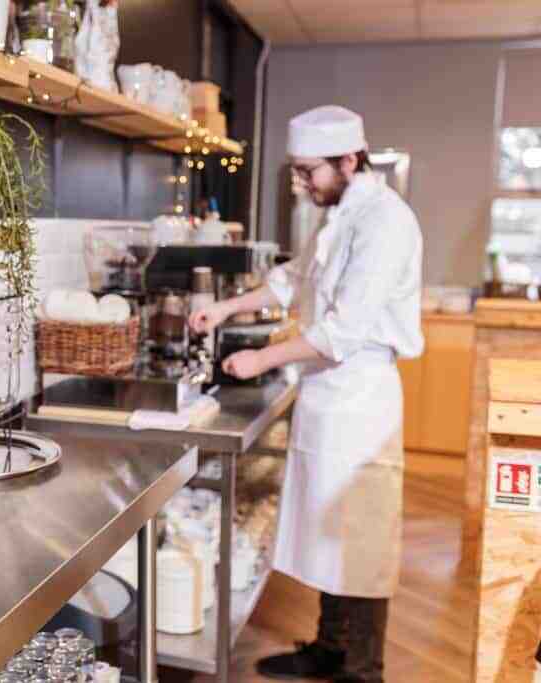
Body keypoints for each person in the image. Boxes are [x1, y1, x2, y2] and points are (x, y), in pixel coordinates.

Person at [189, 105, 423, 683]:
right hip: (328, 397)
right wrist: (226, 306)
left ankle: (363, 670)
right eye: (296, 172)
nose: (300, 184)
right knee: (328, 530)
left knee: (361, 542)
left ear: (350, 159)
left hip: (361, 398)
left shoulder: (385, 222)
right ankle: (328, 648)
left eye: (307, 171)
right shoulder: (341, 212)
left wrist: (261, 357)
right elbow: (293, 278)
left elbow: (342, 332)